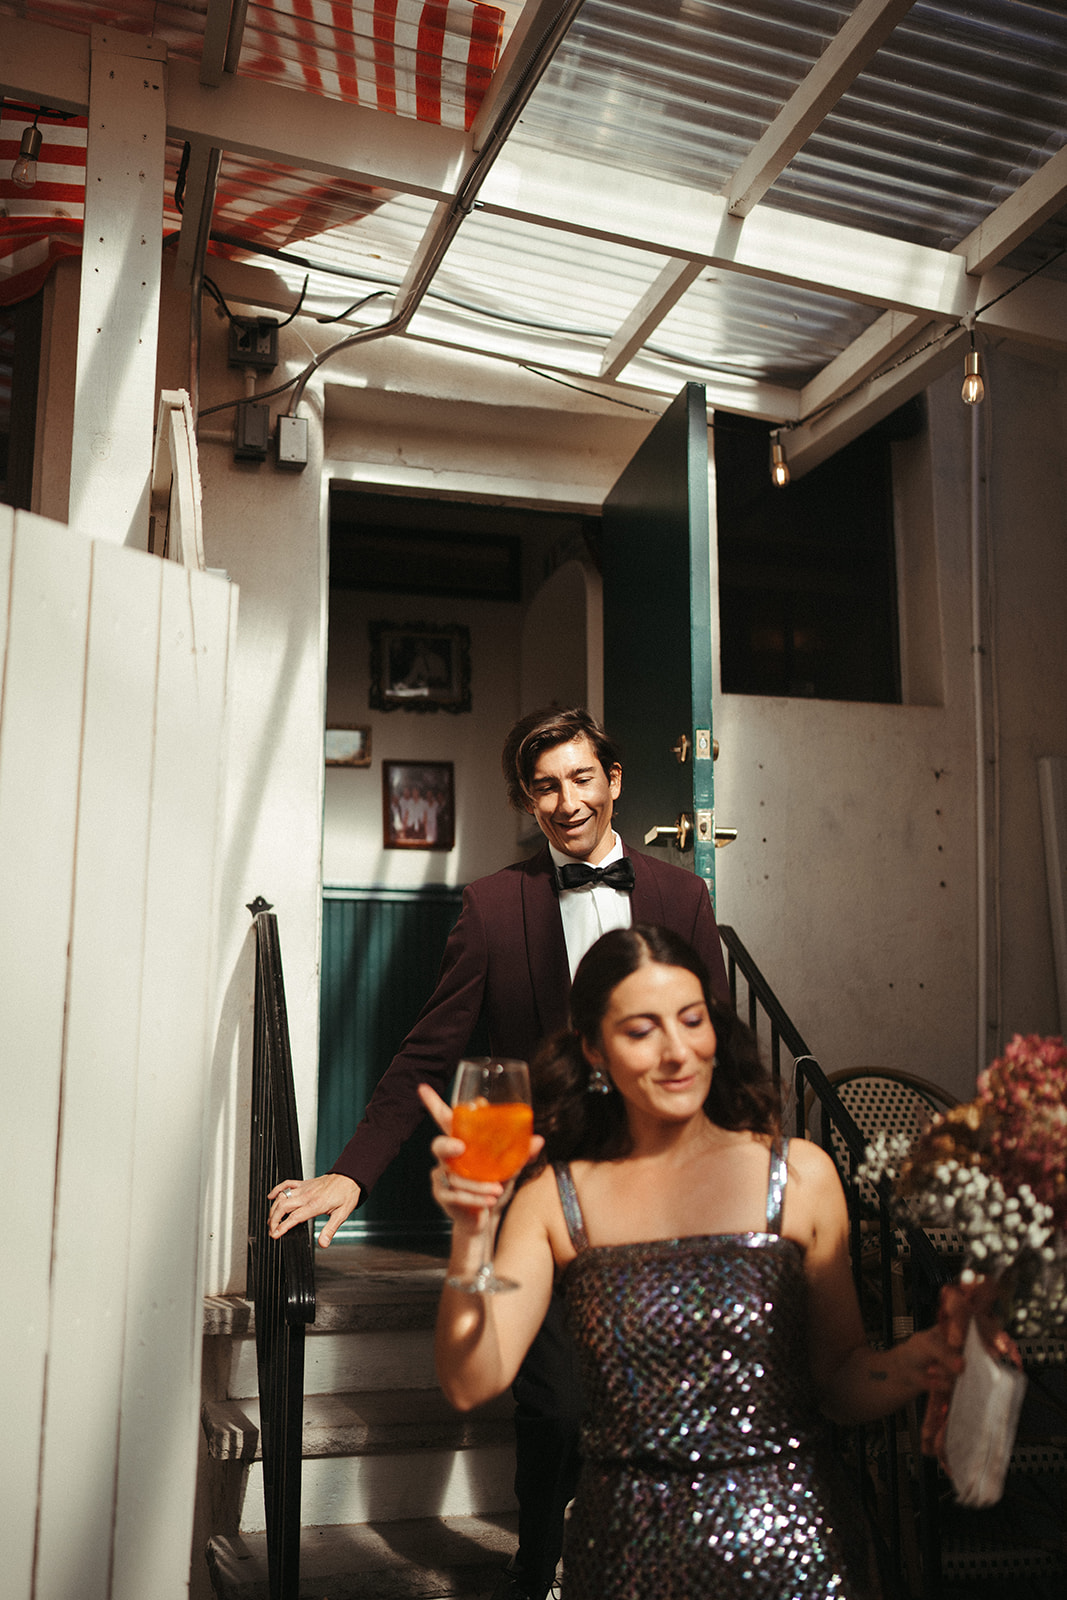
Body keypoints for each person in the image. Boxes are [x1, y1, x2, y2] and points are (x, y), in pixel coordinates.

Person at [268, 705, 730, 1600]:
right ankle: (538, 1567)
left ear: (613, 779)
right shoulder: (491, 906)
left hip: (659, 1184)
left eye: (581, 778)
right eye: (545, 787)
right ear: (527, 799)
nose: (567, 801)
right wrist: (351, 1171)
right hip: (539, 1193)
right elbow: (425, 1055)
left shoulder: (682, 897)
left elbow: (718, 1040)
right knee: (554, 1403)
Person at [421, 924, 963, 1600]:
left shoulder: (799, 1178)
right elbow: (471, 1382)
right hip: (623, 1563)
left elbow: (839, 1383)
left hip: (793, 1555)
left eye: (691, 1019)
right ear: (594, 1050)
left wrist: (921, 1359)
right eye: (641, 1030)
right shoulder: (553, 1199)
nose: (677, 1052)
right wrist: (472, 1230)